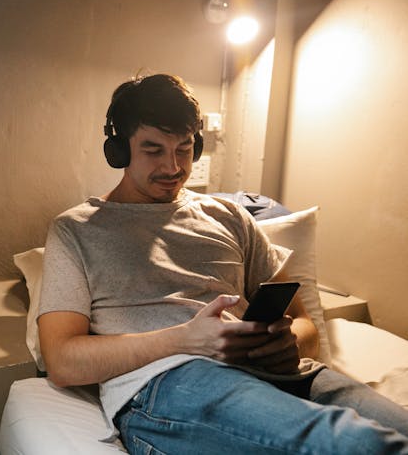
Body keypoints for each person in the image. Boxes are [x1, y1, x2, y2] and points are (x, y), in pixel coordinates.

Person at [37, 73, 408, 453]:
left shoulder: (228, 215)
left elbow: (304, 323)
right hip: (172, 383)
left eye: (183, 149)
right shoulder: (76, 230)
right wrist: (183, 340)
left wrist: (289, 341)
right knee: (358, 444)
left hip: (281, 373)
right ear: (118, 149)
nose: (172, 167)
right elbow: (63, 361)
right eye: (153, 150)